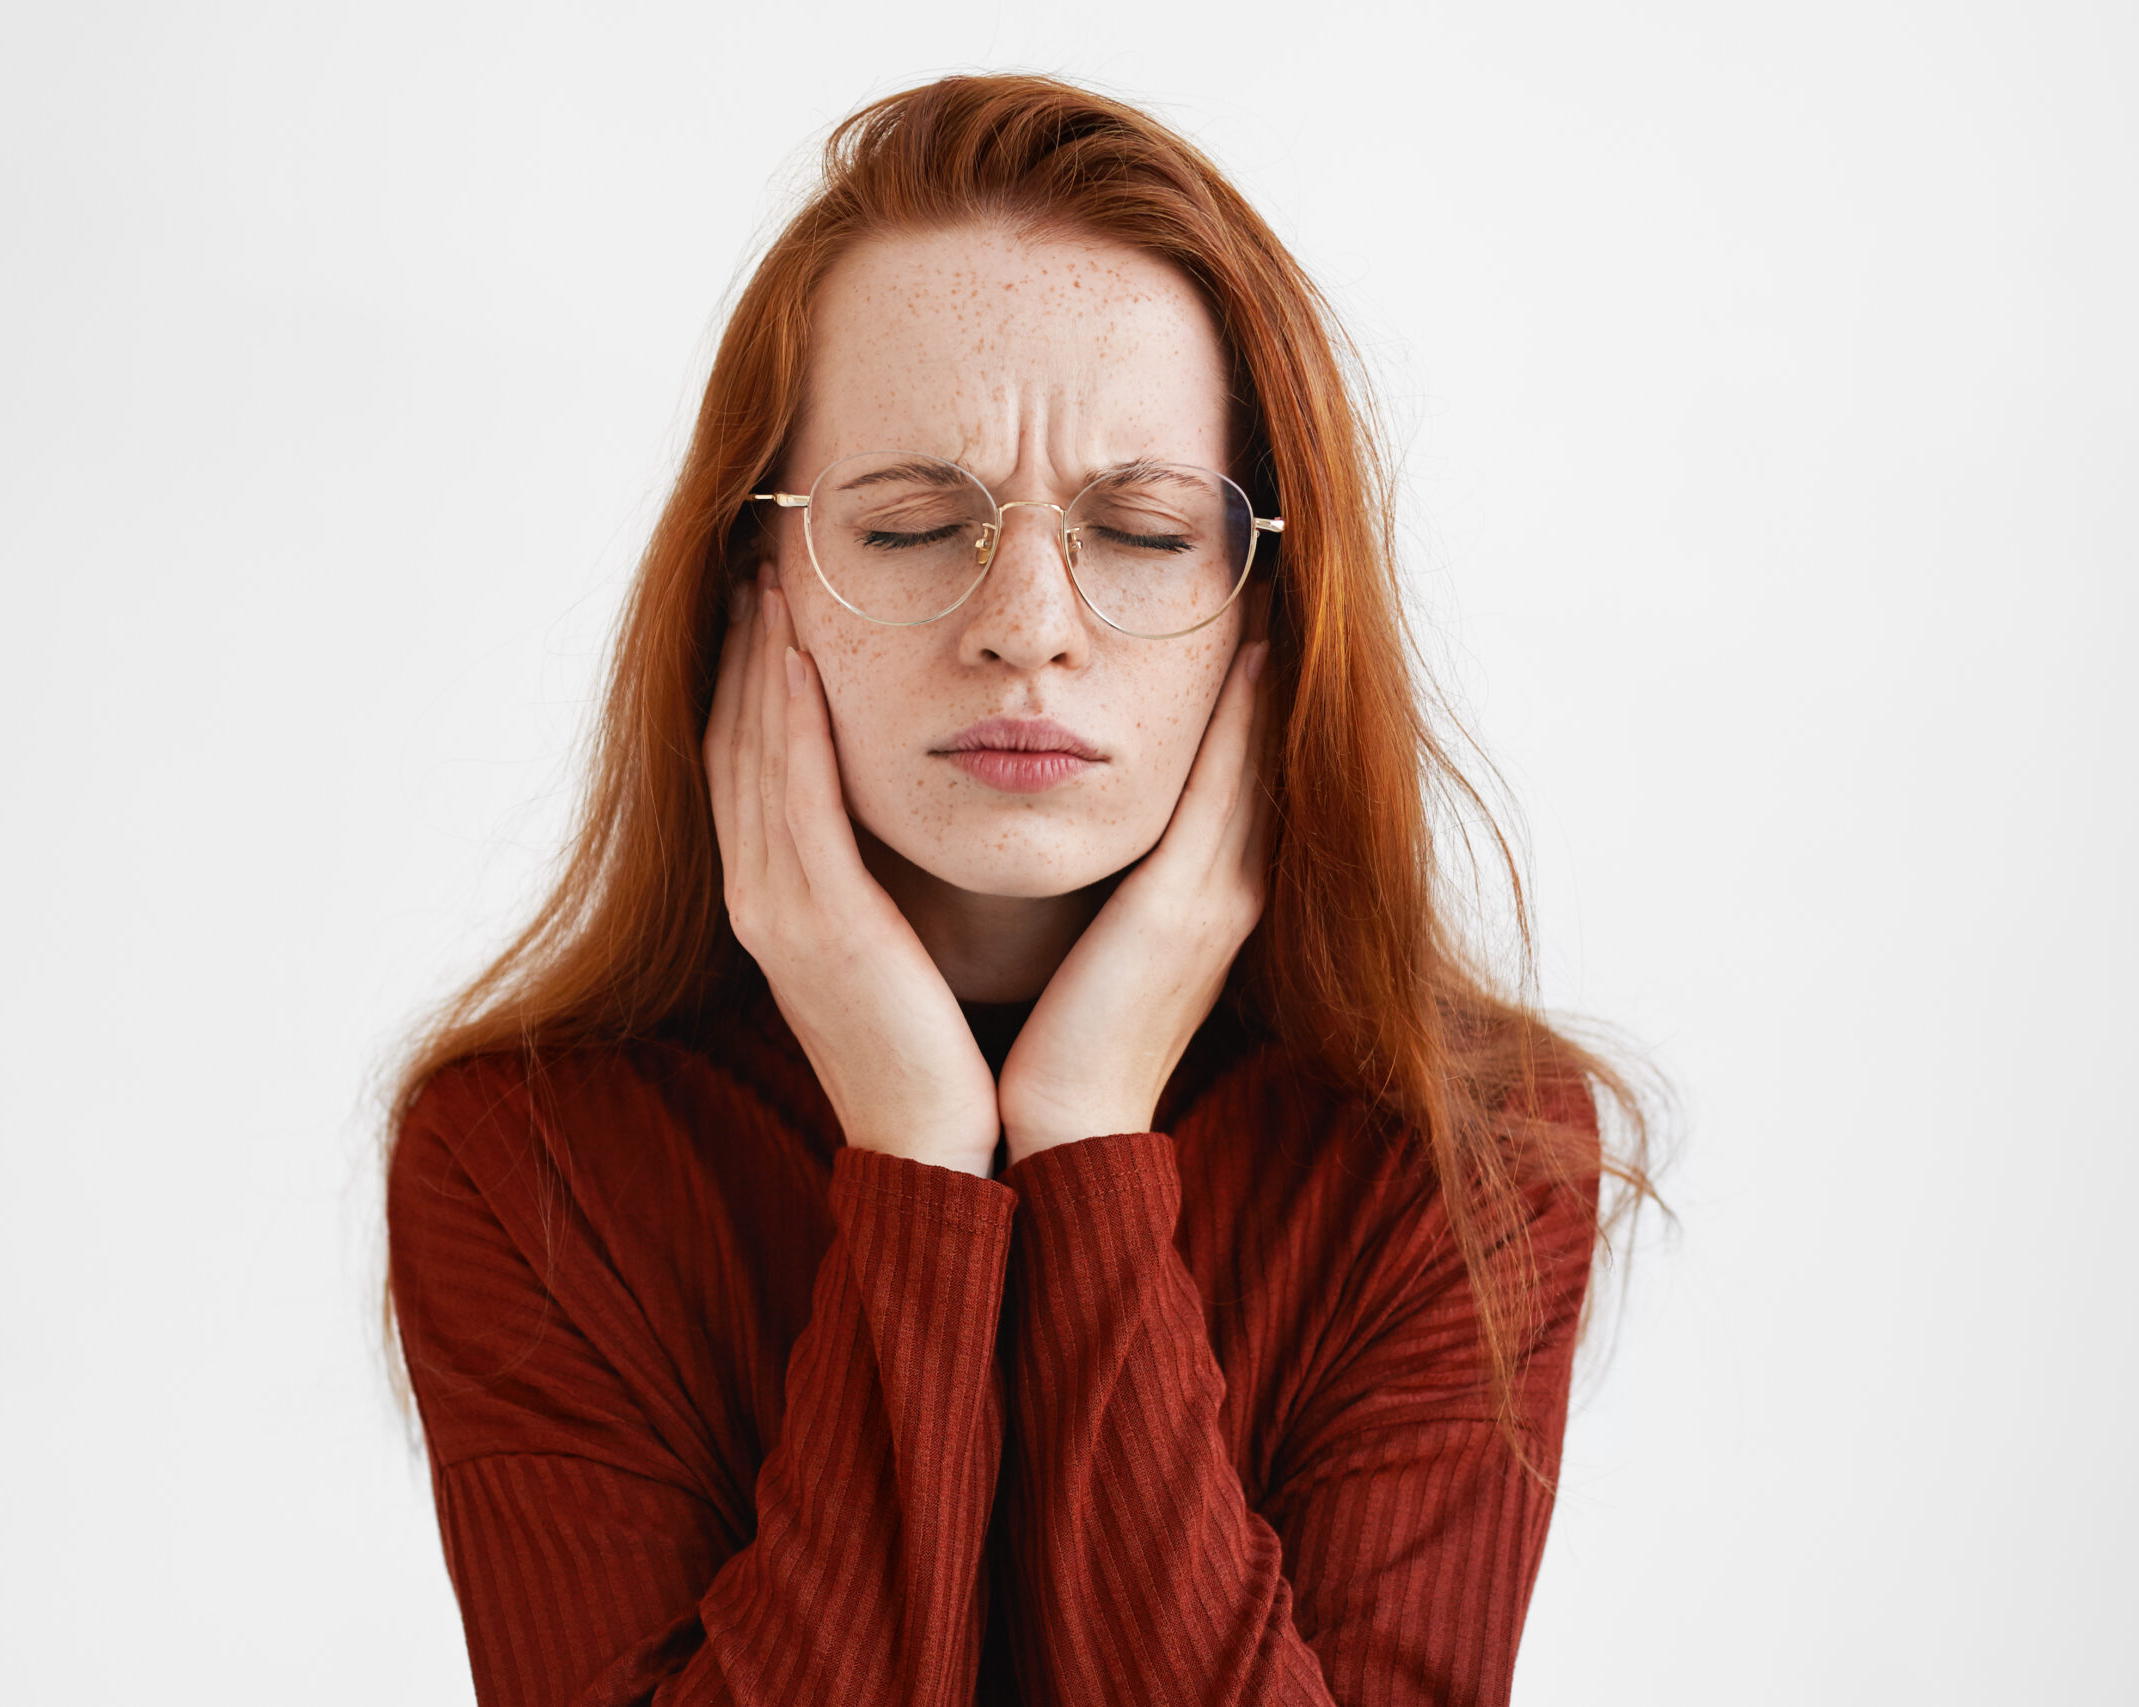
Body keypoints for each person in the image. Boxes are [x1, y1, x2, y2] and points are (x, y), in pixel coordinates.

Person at [385, 72, 1655, 1707]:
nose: (1029, 622)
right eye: (917, 527)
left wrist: (1088, 1148)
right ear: (755, 574)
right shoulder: (530, 1164)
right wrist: (919, 1157)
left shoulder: (1469, 1164)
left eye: (1138, 529)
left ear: (1270, 604)